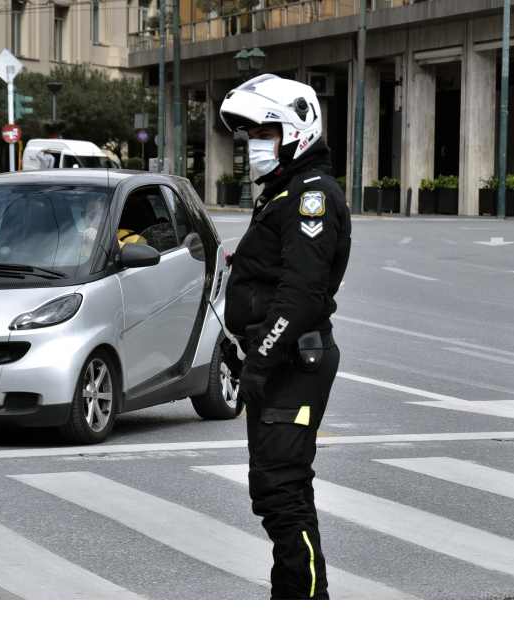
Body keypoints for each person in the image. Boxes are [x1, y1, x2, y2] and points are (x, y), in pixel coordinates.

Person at [218, 75, 351, 600]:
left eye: (264, 134)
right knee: (277, 488)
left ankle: (305, 599)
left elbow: (300, 292)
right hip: (280, 360)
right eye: (249, 135)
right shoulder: (284, 191)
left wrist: (260, 360)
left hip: (293, 362)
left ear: (297, 132)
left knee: (282, 490)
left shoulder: (310, 195)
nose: (253, 145)